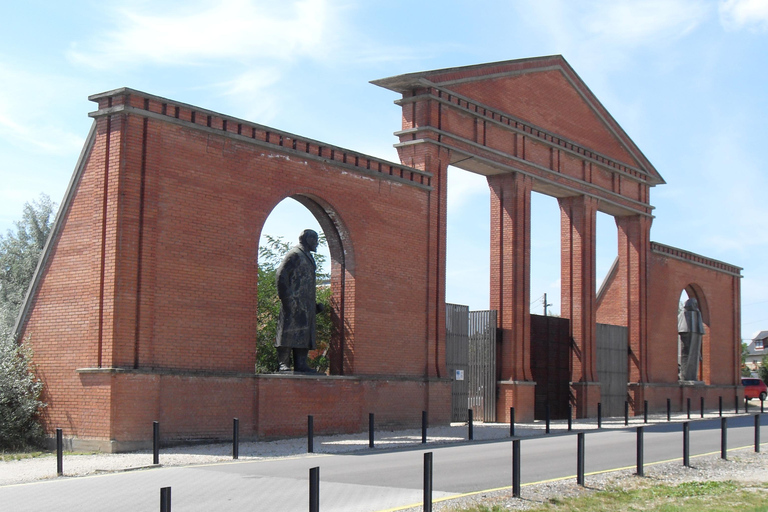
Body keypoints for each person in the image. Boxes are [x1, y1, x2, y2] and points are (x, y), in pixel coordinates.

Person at [274, 229, 324, 373]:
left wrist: (314, 306)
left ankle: (301, 364)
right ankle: (283, 364)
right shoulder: (294, 254)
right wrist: (287, 298)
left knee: (304, 333)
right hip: (292, 302)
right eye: (315, 239)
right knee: (288, 332)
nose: (317, 243)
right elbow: (281, 274)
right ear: (308, 239)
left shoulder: (308, 257)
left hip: (305, 304)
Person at [678, 297, 704, 381]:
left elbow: (700, 328)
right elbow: (681, 328)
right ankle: (684, 376)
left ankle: (692, 376)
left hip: (695, 335)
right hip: (686, 334)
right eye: (694, 304)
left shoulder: (697, 314)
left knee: (694, 356)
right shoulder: (683, 314)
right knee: (685, 355)